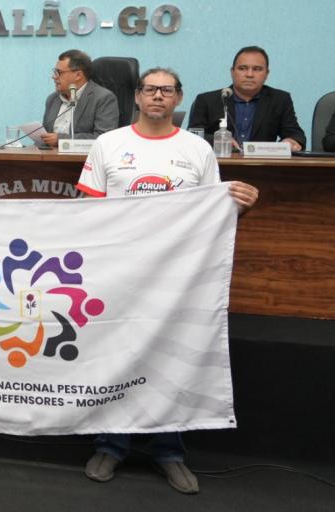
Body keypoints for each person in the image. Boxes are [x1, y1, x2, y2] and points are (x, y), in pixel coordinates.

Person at [76, 67, 259, 495]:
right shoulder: (108, 144)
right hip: (119, 271)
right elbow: (86, 209)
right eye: (150, 89)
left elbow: (213, 212)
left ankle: (169, 451)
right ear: (137, 97)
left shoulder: (197, 150)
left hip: (176, 275)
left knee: (171, 359)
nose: (158, 96)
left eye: (167, 90)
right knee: (116, 355)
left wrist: (241, 205)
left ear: (178, 98)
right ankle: (110, 444)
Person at [187, 45, 305, 151]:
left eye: (257, 69)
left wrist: (291, 141)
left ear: (266, 74)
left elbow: (296, 134)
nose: (249, 74)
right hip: (219, 163)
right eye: (242, 68)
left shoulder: (280, 100)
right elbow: (192, 136)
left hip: (263, 165)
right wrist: (217, 140)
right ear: (232, 72)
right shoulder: (207, 100)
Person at [38, 49, 118, 148]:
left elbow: (103, 137)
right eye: (55, 72)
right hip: (50, 156)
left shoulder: (103, 98)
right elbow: (46, 135)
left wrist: (61, 140)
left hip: (83, 156)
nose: (54, 77)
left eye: (59, 72)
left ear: (78, 75)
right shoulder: (53, 99)